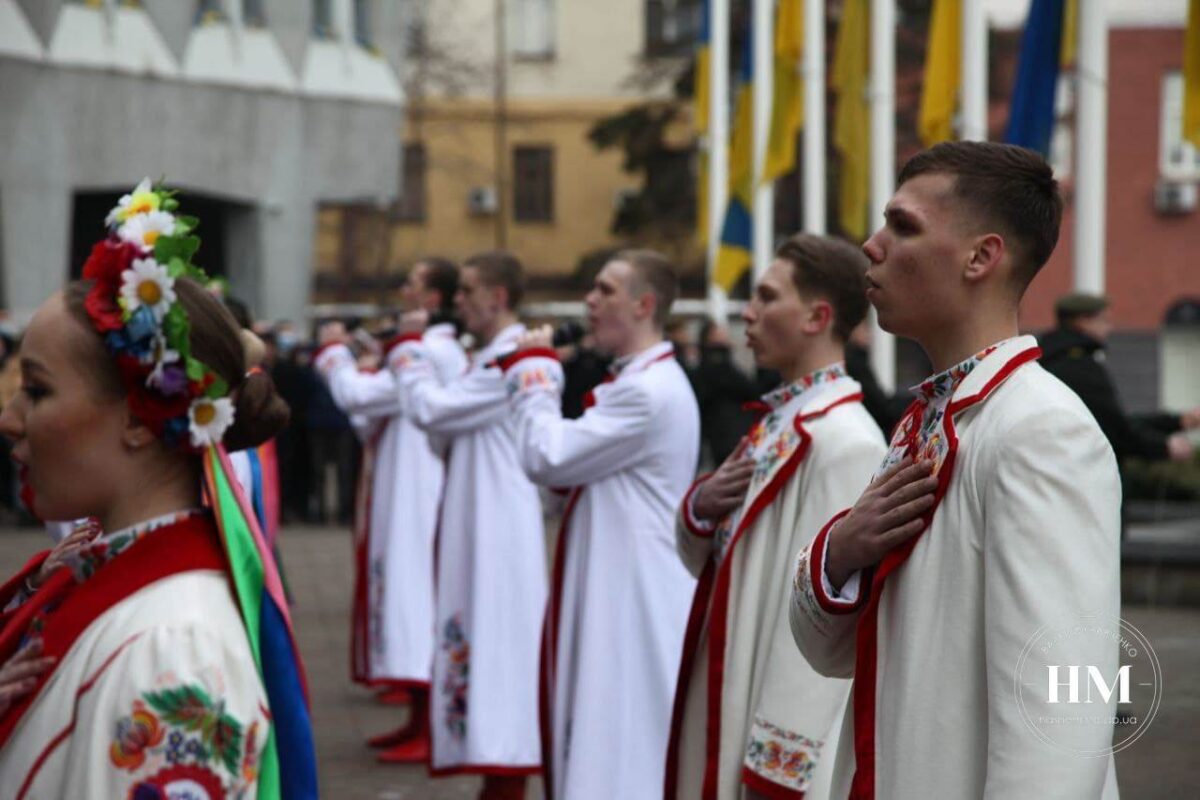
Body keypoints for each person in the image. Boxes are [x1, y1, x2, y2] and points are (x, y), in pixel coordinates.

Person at [789, 142, 1121, 798]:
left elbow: (1066, 709)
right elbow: (831, 654)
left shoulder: (1041, 430)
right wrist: (840, 550)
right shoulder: (930, 423)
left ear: (981, 257)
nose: (872, 245)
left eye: (903, 226)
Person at [0, 180, 316, 797]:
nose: (9, 418)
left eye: (37, 391)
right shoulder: (106, 585)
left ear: (141, 418)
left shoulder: (174, 649)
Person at [666, 235, 886, 800]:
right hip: (729, 673)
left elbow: (826, 620)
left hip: (765, 707)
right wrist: (700, 508)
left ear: (817, 316)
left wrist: (780, 764)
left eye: (766, 297)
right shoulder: (779, 420)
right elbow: (711, 563)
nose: (749, 311)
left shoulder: (844, 441)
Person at [501, 250, 699, 800]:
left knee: (619, 730)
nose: (590, 301)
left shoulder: (645, 391)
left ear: (643, 304)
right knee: (612, 723)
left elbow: (548, 456)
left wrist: (533, 372)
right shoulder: (643, 380)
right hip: (623, 577)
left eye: (605, 290)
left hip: (632, 589)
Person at [390, 251, 545, 800]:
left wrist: (407, 352)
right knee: (480, 638)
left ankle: (506, 770)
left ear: (497, 298)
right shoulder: (494, 357)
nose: (459, 300)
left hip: (498, 526)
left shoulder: (512, 360)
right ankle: (495, 768)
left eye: (469, 290)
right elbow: (444, 426)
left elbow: (432, 413)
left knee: (499, 641)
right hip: (481, 514)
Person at [315, 258, 467, 762]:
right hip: (401, 482)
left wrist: (334, 354)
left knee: (414, 593)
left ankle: (430, 723)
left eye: (413, 283)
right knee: (401, 588)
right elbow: (369, 414)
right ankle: (417, 718)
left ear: (432, 300)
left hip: (418, 488)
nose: (403, 289)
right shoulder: (423, 349)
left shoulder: (432, 351)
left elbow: (359, 395)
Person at [1039, 292, 1199, 464]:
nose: (1109, 328)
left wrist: (1178, 422)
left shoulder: (1047, 357)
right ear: (1082, 321)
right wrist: (1164, 446)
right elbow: (1115, 429)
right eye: (1104, 320)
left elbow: (1114, 421)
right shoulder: (1081, 368)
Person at [692, 320, 764, 465]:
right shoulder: (718, 365)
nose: (725, 336)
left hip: (726, 433)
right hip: (726, 434)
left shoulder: (717, 363)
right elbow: (747, 389)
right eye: (719, 333)